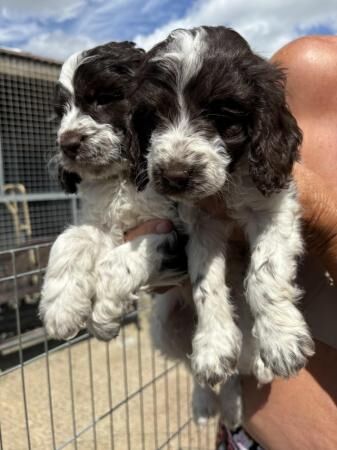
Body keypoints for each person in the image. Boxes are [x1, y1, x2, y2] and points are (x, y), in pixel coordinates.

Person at [125, 36, 337, 450]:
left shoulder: (267, 120)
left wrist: (273, 304)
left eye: (222, 121)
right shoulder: (312, 64)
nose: (175, 158)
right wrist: (156, 262)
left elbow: (279, 206)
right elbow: (183, 250)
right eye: (158, 120)